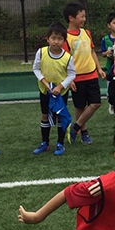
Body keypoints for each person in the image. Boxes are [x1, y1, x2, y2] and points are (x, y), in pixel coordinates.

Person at [62, 2, 106, 145]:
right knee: (80, 106)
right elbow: (65, 60)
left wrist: (99, 69)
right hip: (76, 77)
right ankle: (84, 132)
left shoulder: (86, 33)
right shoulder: (65, 37)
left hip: (91, 74)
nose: (84, 19)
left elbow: (92, 51)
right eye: (81, 16)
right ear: (71, 18)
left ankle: (76, 127)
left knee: (95, 103)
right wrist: (70, 80)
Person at [32, 23, 76, 156]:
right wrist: (44, 82)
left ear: (64, 41)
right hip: (45, 90)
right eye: (53, 38)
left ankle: (60, 143)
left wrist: (60, 86)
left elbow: (72, 74)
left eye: (60, 39)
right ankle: (45, 143)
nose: (56, 41)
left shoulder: (68, 57)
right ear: (48, 39)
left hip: (60, 92)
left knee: (59, 116)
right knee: (45, 115)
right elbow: (36, 68)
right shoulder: (41, 52)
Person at [101, 12, 115, 115]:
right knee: (110, 89)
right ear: (109, 25)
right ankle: (111, 103)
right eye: (114, 23)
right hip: (110, 68)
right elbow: (102, 54)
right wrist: (107, 53)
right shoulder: (105, 39)